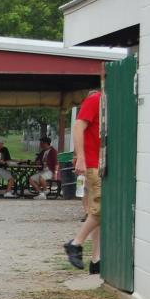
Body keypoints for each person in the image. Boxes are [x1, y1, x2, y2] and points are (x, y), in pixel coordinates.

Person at [64, 90, 103, 274]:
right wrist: (80, 157)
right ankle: (76, 243)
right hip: (93, 164)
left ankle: (96, 260)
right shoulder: (96, 99)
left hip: (101, 164)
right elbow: (78, 126)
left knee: (97, 211)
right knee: (102, 207)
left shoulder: (108, 103)